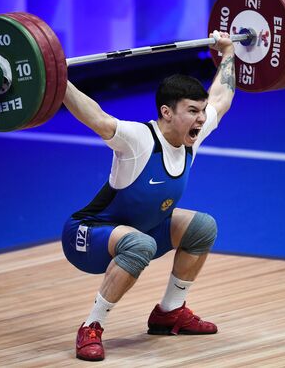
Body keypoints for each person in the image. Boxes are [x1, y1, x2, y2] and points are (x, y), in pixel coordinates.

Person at [60, 31, 236, 361]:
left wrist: (228, 51)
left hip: (140, 230)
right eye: (193, 111)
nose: (201, 118)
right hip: (87, 235)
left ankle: (169, 312)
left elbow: (222, 99)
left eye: (201, 111)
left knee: (202, 227)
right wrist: (58, 79)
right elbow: (96, 118)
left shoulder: (190, 138)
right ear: (167, 113)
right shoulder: (139, 139)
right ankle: (91, 327)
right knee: (141, 245)